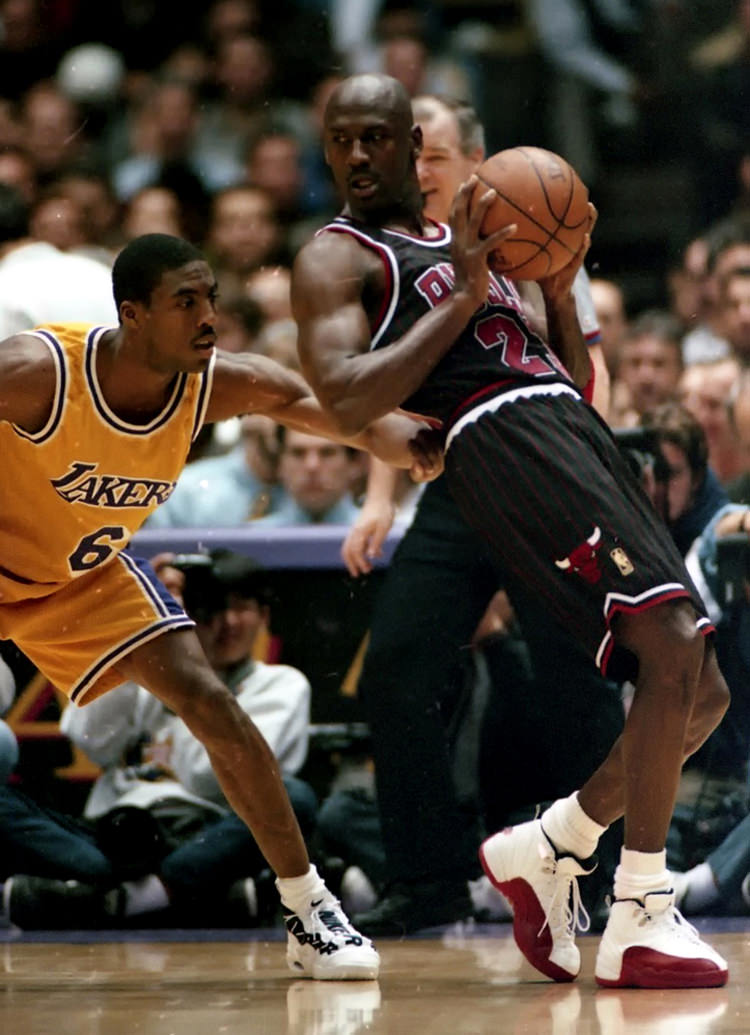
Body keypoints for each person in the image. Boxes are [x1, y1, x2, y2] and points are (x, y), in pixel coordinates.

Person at [291, 73, 731, 988]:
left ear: (415, 143)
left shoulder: (478, 231)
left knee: (703, 688)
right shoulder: (338, 258)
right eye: (343, 140)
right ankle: (641, 909)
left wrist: (561, 289)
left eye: (379, 136)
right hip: (496, 444)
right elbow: (342, 393)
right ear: (328, 149)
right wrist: (463, 296)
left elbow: (569, 377)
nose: (361, 155)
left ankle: (553, 842)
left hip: (568, 429)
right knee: (671, 642)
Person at [0, 231, 443, 980]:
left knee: (211, 699)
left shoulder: (217, 383)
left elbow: (315, 404)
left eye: (210, 297)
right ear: (133, 315)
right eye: (186, 301)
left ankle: (307, 909)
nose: (209, 316)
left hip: (79, 579)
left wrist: (409, 438)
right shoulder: (40, 371)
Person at [334, 92, 622, 938]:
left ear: (475, 162)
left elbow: (583, 389)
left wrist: (559, 292)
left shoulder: (540, 228)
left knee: (577, 678)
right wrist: (381, 496)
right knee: (396, 665)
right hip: (456, 482)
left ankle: (599, 878)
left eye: (433, 153)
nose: (417, 169)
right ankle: (427, 879)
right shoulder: (390, 255)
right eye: (410, 154)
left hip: (544, 479)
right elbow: (374, 389)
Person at [2, 550, 317, 930]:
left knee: (295, 797)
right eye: (210, 608)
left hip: (202, 838)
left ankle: (118, 902)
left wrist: (196, 684)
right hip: (113, 839)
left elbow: (208, 779)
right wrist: (146, 630)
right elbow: (89, 740)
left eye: (239, 608)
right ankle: (175, 900)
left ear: (264, 617)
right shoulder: (148, 666)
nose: (225, 622)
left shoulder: (280, 683)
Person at [0, 182, 116, 338]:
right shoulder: (13, 274)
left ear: (85, 232)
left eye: (69, 227)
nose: (58, 236)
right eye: (48, 228)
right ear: (32, 229)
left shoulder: (107, 274)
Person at [254, 427, 365, 527]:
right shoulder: (252, 541)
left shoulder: (377, 539)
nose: (312, 466)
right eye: (298, 453)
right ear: (279, 464)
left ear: (353, 463)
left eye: (327, 453)